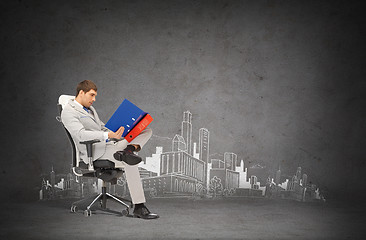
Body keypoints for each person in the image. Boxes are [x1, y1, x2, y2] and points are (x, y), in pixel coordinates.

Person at [61, 80, 159, 219]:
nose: (94, 99)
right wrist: (108, 135)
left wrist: (120, 132)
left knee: (145, 129)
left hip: (109, 145)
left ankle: (129, 149)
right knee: (129, 161)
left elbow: (101, 127)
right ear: (81, 93)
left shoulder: (90, 109)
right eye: (92, 95)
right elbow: (80, 134)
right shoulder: (68, 112)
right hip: (93, 151)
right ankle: (139, 207)